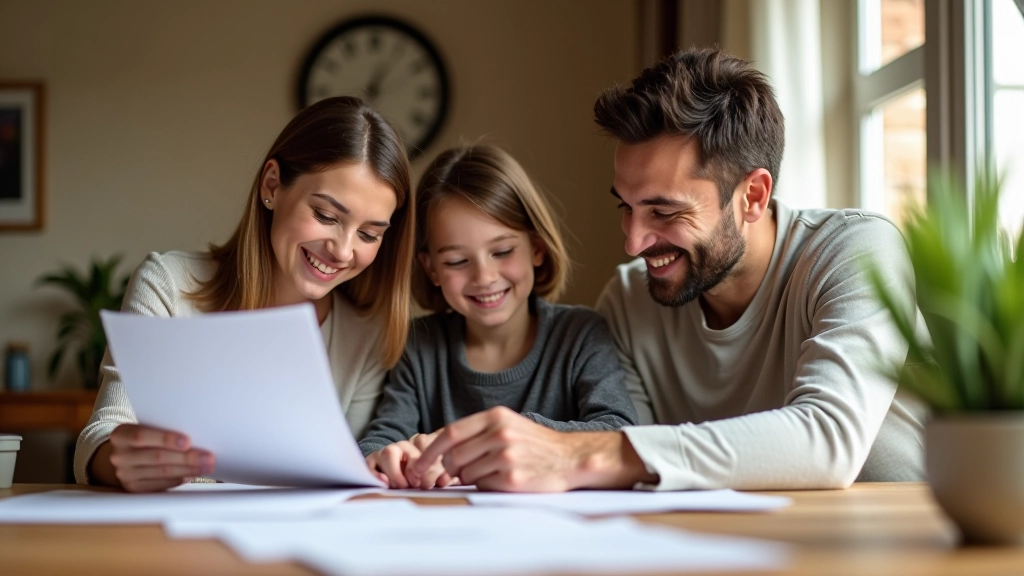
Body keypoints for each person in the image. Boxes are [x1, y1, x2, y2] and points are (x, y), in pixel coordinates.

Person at [408, 48, 925, 492]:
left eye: (664, 212)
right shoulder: (631, 301)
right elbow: (645, 468)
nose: (634, 242)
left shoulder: (855, 251)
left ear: (753, 195)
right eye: (625, 207)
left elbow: (828, 441)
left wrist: (581, 453)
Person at [74, 96, 415, 493]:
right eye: (325, 216)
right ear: (272, 185)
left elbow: (348, 477)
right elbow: (103, 430)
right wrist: (117, 459)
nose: (342, 250)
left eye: (369, 234)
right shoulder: (169, 284)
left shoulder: (366, 334)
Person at [360, 145, 638, 489]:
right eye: (457, 261)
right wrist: (381, 457)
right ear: (431, 269)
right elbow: (381, 439)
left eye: (502, 252)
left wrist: (517, 436)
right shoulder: (419, 346)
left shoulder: (581, 335)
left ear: (537, 248)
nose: (484, 276)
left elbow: (617, 431)